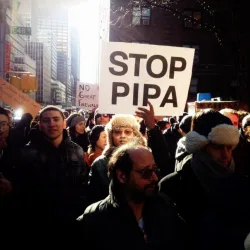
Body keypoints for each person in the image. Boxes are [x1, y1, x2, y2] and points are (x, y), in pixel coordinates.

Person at [77, 142, 188, 250]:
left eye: (155, 170)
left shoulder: (165, 207)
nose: (155, 178)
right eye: (146, 172)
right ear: (122, 176)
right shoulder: (93, 220)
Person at [14, 105, 89, 246]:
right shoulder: (27, 153)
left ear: (64, 123)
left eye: (56, 119)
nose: (52, 124)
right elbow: (21, 193)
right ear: (40, 125)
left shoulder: (77, 151)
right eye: (47, 120)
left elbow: (83, 185)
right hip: (38, 226)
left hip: (71, 225)